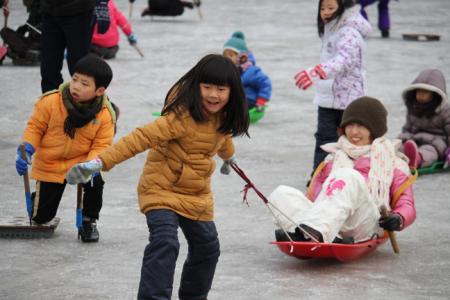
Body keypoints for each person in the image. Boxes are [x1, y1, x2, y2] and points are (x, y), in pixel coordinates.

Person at [65, 54, 249, 299]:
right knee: (165, 242)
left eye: (220, 89)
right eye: (207, 87)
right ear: (196, 86)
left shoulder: (222, 119)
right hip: (160, 188)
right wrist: (99, 162)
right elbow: (139, 139)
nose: (213, 95)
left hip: (196, 193)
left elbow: (223, 140)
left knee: (207, 247)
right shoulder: (179, 118)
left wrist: (229, 158)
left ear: (231, 92)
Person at [269, 97, 416, 244]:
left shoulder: (393, 162)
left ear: (374, 129)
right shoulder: (332, 159)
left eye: (361, 126)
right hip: (329, 222)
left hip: (365, 223)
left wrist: (399, 218)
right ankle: (314, 234)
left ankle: (315, 234)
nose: (353, 131)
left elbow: (406, 203)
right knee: (280, 194)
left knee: (347, 175)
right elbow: (314, 200)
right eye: (349, 125)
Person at [15, 55, 116, 243]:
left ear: (99, 90)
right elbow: (35, 128)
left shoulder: (104, 114)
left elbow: (102, 145)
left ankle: (89, 220)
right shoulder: (51, 102)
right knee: (41, 218)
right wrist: (27, 148)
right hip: (51, 162)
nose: (76, 86)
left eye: (85, 84)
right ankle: (42, 200)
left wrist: (91, 165)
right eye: (75, 79)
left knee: (96, 177)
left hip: (82, 162)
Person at [294, 0, 372, 180]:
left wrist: (317, 71)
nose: (325, 12)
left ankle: (350, 178)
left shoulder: (348, 31)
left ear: (342, 8)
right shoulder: (334, 28)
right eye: (322, 8)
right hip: (329, 97)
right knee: (324, 139)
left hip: (349, 99)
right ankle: (319, 178)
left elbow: (344, 60)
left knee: (350, 141)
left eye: (331, 8)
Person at [40, 0, 110, 93]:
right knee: (48, 66)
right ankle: (51, 102)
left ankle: (88, 104)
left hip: (79, 11)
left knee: (79, 66)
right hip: (49, 11)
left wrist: (102, 2)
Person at [398, 69, 450, 169]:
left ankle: (417, 159)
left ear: (435, 94)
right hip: (413, 140)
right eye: (418, 91)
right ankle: (394, 158)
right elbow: (407, 127)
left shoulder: (445, 112)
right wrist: (403, 138)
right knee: (399, 146)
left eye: (425, 92)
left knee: (429, 151)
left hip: (435, 144)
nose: (421, 94)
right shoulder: (413, 108)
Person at [223, 31, 272, 111]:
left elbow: (265, 83)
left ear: (241, 57)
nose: (227, 58)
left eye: (231, 55)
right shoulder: (227, 71)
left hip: (249, 100)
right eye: (225, 55)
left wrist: (261, 100)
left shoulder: (250, 71)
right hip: (235, 100)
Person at [0, 0, 41, 65]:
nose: (24, 2)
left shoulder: (45, 10)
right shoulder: (33, 11)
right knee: (5, 31)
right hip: (30, 42)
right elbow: (27, 26)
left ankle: (26, 53)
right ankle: (22, 53)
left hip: (41, 44)